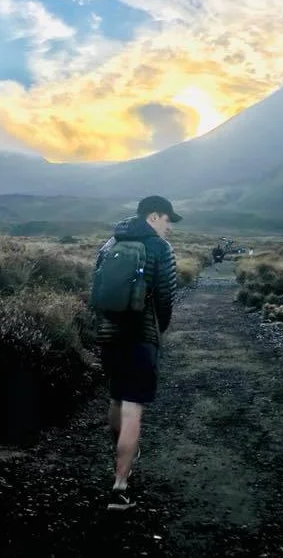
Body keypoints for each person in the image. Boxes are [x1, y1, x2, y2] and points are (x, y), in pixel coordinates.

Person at [92, 195, 180, 511]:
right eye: (168, 219)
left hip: (109, 337)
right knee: (133, 408)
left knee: (116, 399)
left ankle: (119, 450)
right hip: (140, 339)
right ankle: (120, 486)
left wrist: (104, 327)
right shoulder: (160, 248)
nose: (170, 227)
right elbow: (166, 297)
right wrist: (159, 329)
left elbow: (96, 291)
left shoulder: (111, 242)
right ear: (153, 216)